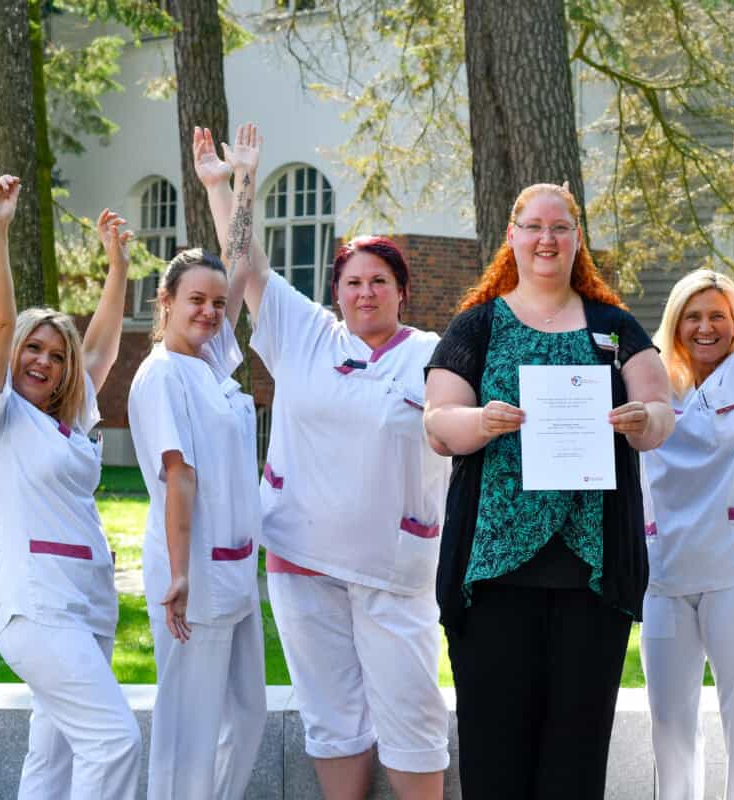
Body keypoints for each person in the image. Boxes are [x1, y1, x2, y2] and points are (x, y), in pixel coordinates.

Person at [192, 124, 450, 800]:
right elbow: (241, 265)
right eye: (354, 281)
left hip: (394, 570)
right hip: (303, 560)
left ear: (403, 291)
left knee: (412, 713)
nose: (365, 292)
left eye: (380, 282)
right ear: (336, 290)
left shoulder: (435, 354)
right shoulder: (304, 331)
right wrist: (232, 185)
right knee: (331, 716)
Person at [423, 181, 675, 799]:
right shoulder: (477, 325)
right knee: (494, 746)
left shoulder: (614, 328)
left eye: (560, 227)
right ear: (512, 236)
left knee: (577, 751)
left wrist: (644, 419)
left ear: (576, 239)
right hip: (493, 576)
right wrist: (482, 421)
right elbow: (436, 425)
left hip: (591, 575)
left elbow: (662, 410)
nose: (546, 238)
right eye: (534, 226)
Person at [0, 175, 141, 799]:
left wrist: (118, 268)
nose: (44, 362)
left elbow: (104, 349)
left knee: (52, 757)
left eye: (56, 355)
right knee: (113, 742)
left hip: (86, 603)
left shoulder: (63, 424)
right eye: (34, 348)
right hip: (37, 606)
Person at [638, 129, 734, 800]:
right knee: (671, 733)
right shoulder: (650, 391)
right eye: (693, 317)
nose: (706, 327)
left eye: (718, 317)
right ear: (675, 326)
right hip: (667, 580)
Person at [128, 128, 266, 799]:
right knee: (191, 731)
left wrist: (238, 182)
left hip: (237, 571)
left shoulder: (210, 361)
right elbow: (176, 475)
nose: (212, 311)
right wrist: (180, 574)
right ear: (165, 303)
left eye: (215, 304)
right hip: (196, 578)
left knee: (246, 719)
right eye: (197, 302)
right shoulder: (162, 377)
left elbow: (237, 268)